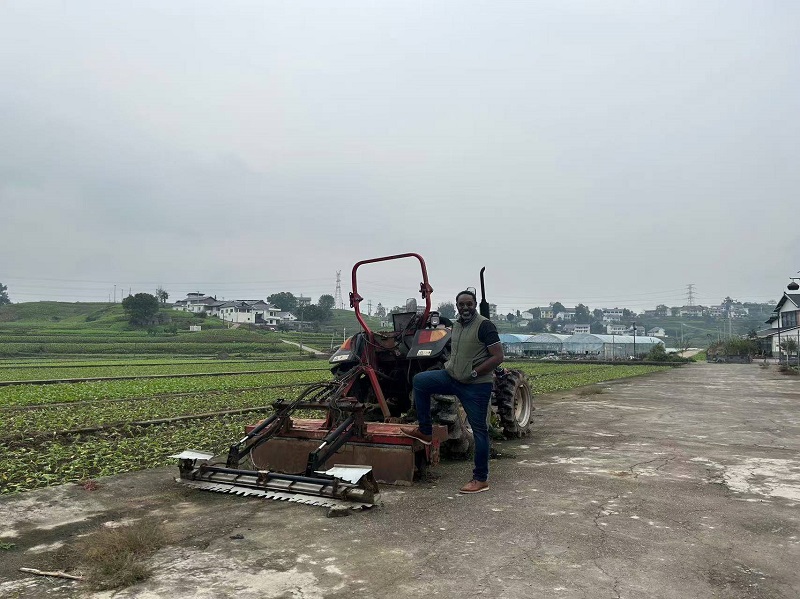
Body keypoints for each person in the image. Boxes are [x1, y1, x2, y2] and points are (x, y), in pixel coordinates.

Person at [401, 289, 504, 493]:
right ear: (457, 306)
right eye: (461, 304)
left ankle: (480, 479)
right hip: (453, 377)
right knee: (420, 381)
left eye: (469, 304)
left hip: (476, 385)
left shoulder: (485, 325)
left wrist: (475, 373)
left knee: (480, 431)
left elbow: (498, 356)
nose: (465, 307)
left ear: (474, 304)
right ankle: (425, 431)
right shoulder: (456, 325)